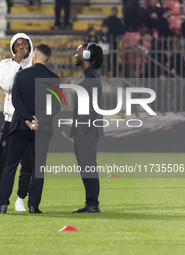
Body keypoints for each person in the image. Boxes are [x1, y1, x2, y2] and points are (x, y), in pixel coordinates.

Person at [0, 44, 61, 214]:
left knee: (10, 165)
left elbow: (16, 100)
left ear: (35, 56)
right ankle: (33, 206)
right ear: (48, 59)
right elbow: (56, 105)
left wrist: (28, 118)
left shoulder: (21, 75)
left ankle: (2, 205)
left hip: (20, 126)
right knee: (38, 167)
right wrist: (39, 120)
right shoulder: (54, 78)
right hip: (42, 129)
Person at [0, 33, 34, 212]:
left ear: (29, 45)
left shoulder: (34, 66)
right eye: (17, 45)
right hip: (10, 120)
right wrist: (16, 63)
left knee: (28, 163)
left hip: (27, 121)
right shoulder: (6, 64)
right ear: (12, 47)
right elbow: (6, 85)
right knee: (3, 162)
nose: (21, 48)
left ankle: (20, 198)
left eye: (24, 44)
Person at [71, 42, 103, 213]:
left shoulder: (90, 76)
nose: (75, 54)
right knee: (86, 165)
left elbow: (90, 105)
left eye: (78, 52)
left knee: (88, 164)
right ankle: (91, 202)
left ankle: (92, 204)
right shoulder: (88, 74)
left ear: (87, 55)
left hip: (87, 129)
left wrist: (83, 126)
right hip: (86, 128)